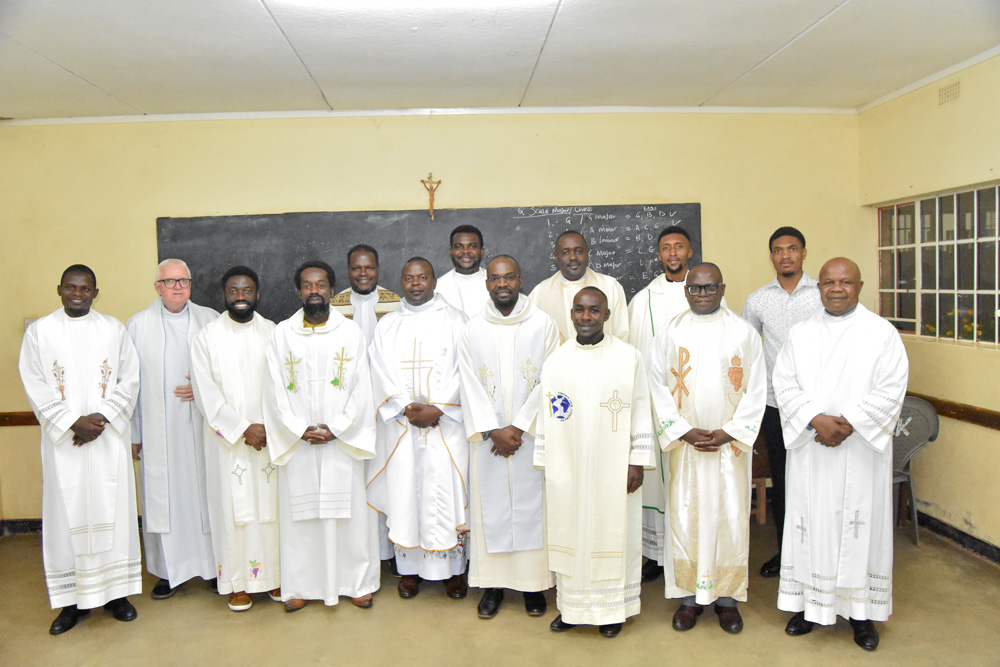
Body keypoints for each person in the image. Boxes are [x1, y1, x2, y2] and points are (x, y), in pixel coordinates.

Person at [773, 257, 908, 652]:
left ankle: (860, 613)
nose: (836, 288)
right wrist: (816, 419)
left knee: (859, 528)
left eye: (845, 282)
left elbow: (891, 387)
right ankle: (808, 607)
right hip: (812, 449)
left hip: (861, 451)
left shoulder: (881, 334)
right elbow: (784, 382)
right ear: (819, 287)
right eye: (829, 282)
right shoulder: (800, 333)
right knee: (809, 524)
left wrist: (847, 423)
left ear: (860, 286)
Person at [19, 265, 141, 634]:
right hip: (65, 445)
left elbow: (130, 376)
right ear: (59, 289)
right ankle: (71, 603)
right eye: (71, 287)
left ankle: (116, 595)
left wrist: (100, 419)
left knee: (113, 512)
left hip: (106, 438)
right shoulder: (41, 331)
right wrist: (72, 421)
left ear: (95, 292)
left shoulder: (113, 329)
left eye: (85, 288)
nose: (77, 293)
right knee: (66, 518)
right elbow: (34, 381)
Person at [648, 263, 766, 634]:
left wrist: (730, 432)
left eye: (710, 287)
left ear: (722, 288)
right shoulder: (670, 333)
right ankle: (688, 599)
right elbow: (656, 387)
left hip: (728, 450)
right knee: (686, 518)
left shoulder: (743, 334)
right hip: (687, 449)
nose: (703, 295)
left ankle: (727, 601)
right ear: (686, 291)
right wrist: (682, 431)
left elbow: (757, 389)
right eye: (695, 288)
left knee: (729, 519)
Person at [535, 287, 655, 638]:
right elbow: (547, 412)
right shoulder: (557, 360)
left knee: (611, 531)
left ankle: (613, 609)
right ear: (571, 314)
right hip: (569, 465)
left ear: (606, 315)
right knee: (571, 532)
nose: (585, 317)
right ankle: (571, 608)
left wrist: (637, 459)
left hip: (613, 466)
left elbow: (641, 408)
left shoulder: (628, 357)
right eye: (579, 310)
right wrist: (547, 460)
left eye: (593, 310)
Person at [263, 260, 380, 611]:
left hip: (340, 441)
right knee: (302, 518)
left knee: (348, 517)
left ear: (331, 290)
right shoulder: (281, 335)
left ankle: (356, 582)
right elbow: (272, 390)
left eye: (321, 284)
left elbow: (363, 388)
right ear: (299, 292)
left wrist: (337, 428)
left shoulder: (350, 333)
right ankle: (300, 586)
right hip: (299, 441)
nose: (315, 290)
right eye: (308, 285)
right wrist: (299, 429)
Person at [457, 255, 560, 619]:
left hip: (529, 436)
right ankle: (493, 586)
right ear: (487, 283)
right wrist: (493, 430)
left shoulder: (543, 325)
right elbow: (467, 383)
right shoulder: (472, 328)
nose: (503, 284)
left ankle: (533, 587)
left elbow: (552, 378)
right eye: (496, 278)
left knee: (534, 508)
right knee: (493, 509)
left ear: (520, 280)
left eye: (509, 277)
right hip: (489, 441)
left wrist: (518, 427)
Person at [367, 258, 471, 600]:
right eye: (408, 278)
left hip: (444, 426)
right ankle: (409, 571)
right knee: (405, 493)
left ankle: (452, 572)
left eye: (422, 277)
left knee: (445, 493)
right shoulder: (388, 326)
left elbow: (466, 369)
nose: (415, 284)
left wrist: (439, 407)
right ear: (401, 281)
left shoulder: (457, 321)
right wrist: (402, 406)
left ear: (433, 281)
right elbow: (378, 369)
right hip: (402, 427)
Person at [190, 266, 281, 612]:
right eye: (233, 291)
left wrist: (267, 427)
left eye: (246, 291)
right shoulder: (206, 337)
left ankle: (273, 578)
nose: (240, 297)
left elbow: (285, 387)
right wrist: (244, 427)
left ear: (258, 294)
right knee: (231, 510)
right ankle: (237, 583)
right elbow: (204, 392)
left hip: (269, 439)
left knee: (271, 510)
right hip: (228, 442)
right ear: (224, 295)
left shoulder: (274, 333)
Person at [127, 258, 217, 599]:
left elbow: (225, 371)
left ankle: (211, 568)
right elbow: (128, 385)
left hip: (201, 425)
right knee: (163, 498)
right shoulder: (137, 326)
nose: (177, 287)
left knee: (203, 496)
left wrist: (203, 390)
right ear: (157, 287)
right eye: (170, 281)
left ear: (191, 286)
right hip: (157, 431)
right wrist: (134, 435)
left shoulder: (209, 320)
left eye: (183, 281)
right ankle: (167, 573)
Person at [742, 226, 823, 578]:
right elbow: (746, 352)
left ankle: (820, 556)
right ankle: (787, 554)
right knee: (784, 481)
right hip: (777, 407)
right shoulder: (758, 300)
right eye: (778, 250)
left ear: (804, 252)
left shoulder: (825, 294)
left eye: (792, 249)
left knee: (820, 483)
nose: (785, 255)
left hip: (822, 408)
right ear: (771, 255)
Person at [627, 226, 695, 584]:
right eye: (666, 248)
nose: (672, 253)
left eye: (679, 247)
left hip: (697, 409)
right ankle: (656, 554)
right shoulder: (643, 300)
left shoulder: (705, 291)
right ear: (659, 255)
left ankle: (689, 548)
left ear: (689, 252)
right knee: (657, 483)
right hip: (655, 408)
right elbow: (631, 353)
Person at [330, 244, 401, 573]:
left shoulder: (396, 304)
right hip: (346, 409)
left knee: (387, 474)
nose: (363, 273)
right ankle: (360, 552)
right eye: (356, 268)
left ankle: (390, 551)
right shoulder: (331, 306)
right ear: (348, 270)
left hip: (387, 409)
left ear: (378, 268)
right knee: (356, 480)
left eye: (368, 268)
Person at [530, 230, 628, 344]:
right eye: (566, 252)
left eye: (578, 251)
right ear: (556, 257)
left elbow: (622, 336)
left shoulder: (611, 287)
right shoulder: (540, 293)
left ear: (587, 253)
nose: (573, 257)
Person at [435, 224, 490, 317]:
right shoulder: (437, 288)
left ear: (481, 251)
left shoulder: (497, 284)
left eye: (472, 246)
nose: (465, 251)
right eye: (458, 247)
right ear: (451, 252)